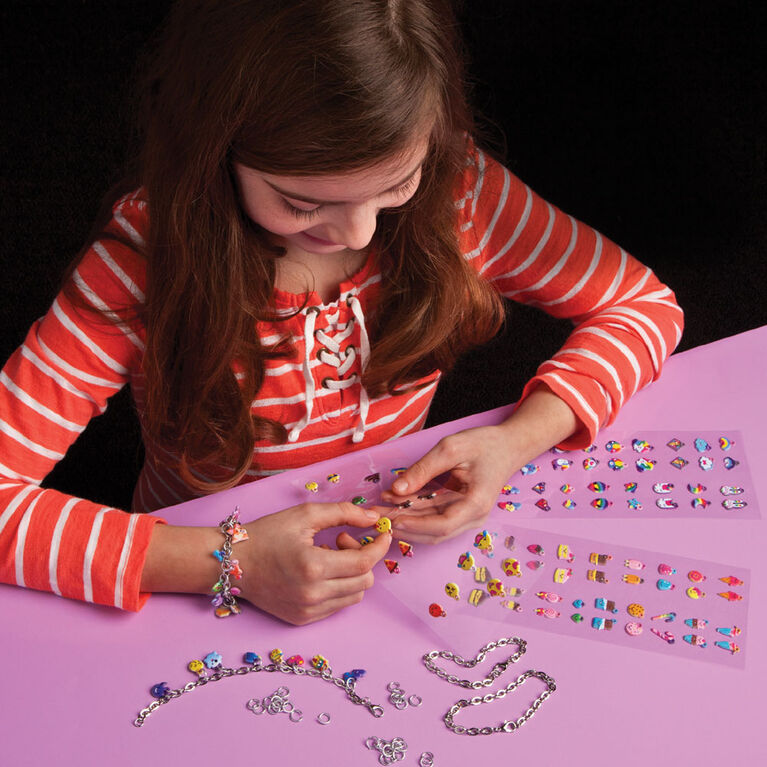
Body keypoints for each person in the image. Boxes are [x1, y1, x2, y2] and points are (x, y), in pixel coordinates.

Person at [0, 0, 683, 625]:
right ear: (215, 151)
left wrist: (514, 442)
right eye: (302, 203)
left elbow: (641, 305)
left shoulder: (460, 192)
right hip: (191, 583)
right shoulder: (142, 266)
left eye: (394, 185)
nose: (357, 233)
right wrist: (225, 562)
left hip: (394, 570)